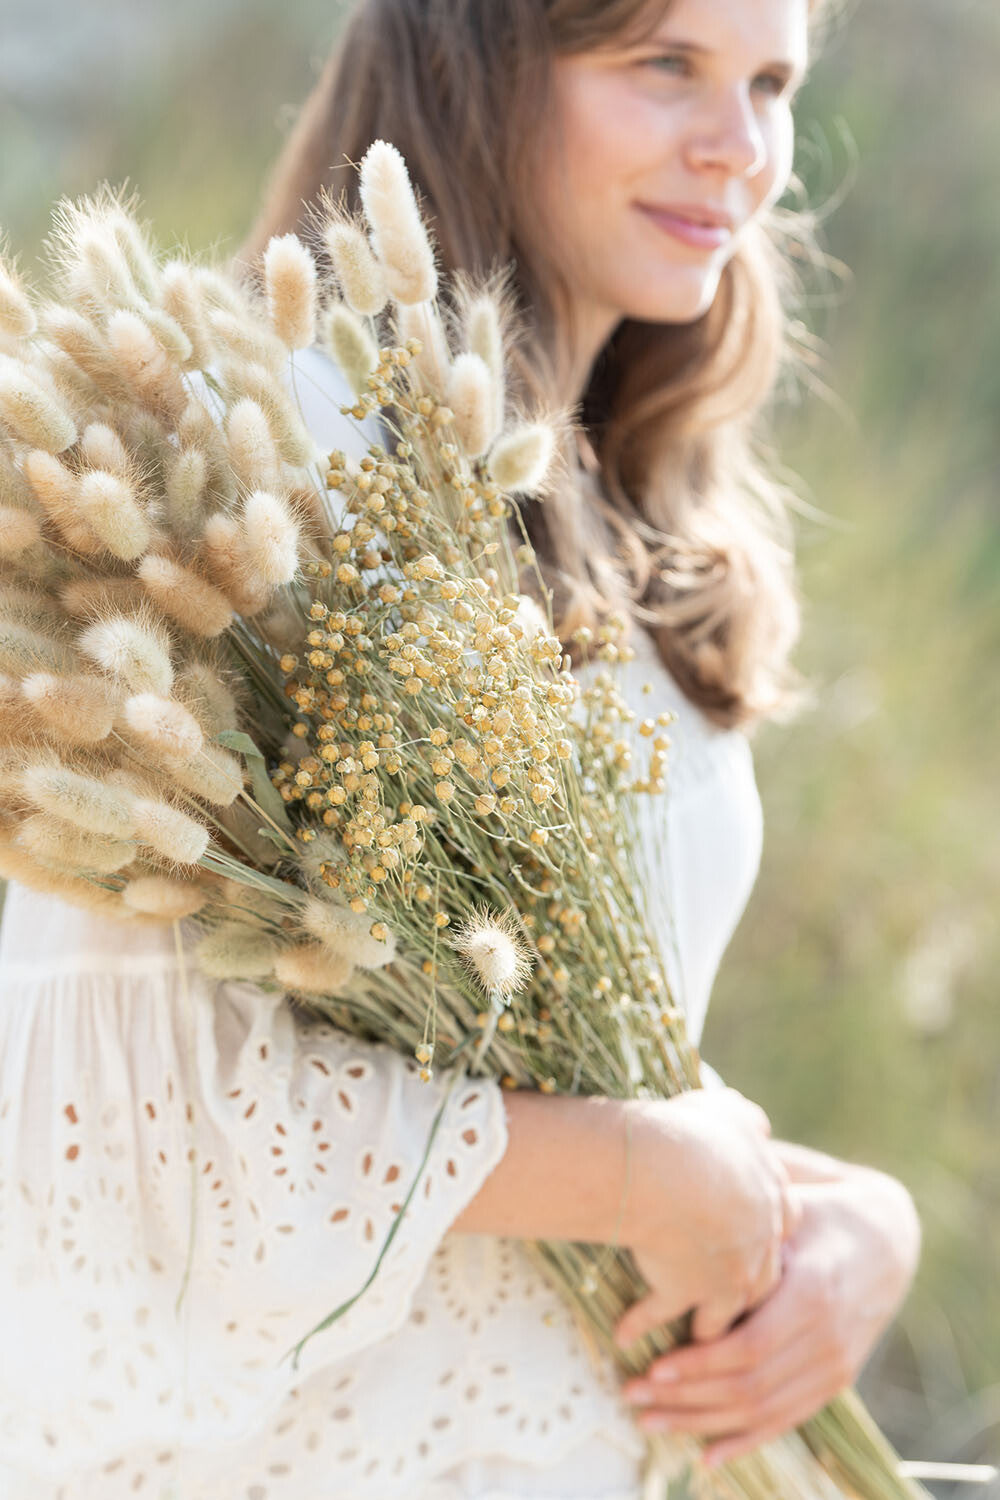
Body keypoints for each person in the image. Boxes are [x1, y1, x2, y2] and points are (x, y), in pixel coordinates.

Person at [0, 1, 921, 1497]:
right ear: (479, 68)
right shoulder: (275, 473)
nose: (740, 149)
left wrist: (847, 1226)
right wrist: (649, 1173)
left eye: (771, 84)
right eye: (663, 66)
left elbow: (578, 1044)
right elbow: (124, 1121)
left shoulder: (647, 510)